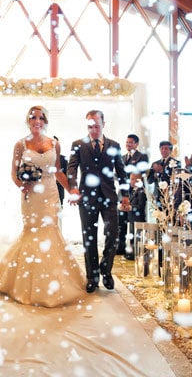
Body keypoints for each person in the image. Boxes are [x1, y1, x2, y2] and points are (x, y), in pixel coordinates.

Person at [0, 105, 85, 307]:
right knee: (32, 233)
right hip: (31, 196)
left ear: (46, 122)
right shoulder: (20, 144)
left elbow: (58, 171)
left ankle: (53, 284)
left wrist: (72, 191)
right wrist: (22, 185)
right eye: (33, 118)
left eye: (41, 118)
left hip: (50, 194)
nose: (37, 121)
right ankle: (25, 283)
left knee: (51, 232)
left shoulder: (54, 144)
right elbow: (14, 174)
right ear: (28, 121)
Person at [67, 110, 129, 293]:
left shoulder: (114, 145)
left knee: (112, 234)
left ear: (104, 124)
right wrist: (73, 188)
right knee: (89, 238)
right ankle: (92, 276)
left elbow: (122, 173)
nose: (94, 130)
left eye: (97, 126)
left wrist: (124, 194)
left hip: (109, 197)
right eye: (90, 127)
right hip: (87, 198)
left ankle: (106, 270)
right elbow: (71, 169)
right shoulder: (78, 144)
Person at [117, 133, 148, 258]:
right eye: (127, 142)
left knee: (133, 223)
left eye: (130, 142)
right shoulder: (123, 157)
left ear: (136, 144)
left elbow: (140, 172)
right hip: (123, 191)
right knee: (121, 223)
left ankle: (132, 251)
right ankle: (120, 248)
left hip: (135, 191)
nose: (128, 145)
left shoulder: (142, 156)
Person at [53, 136, 68, 206]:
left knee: (59, 211)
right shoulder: (43, 159)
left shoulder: (64, 159)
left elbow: (67, 174)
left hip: (59, 189)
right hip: (46, 190)